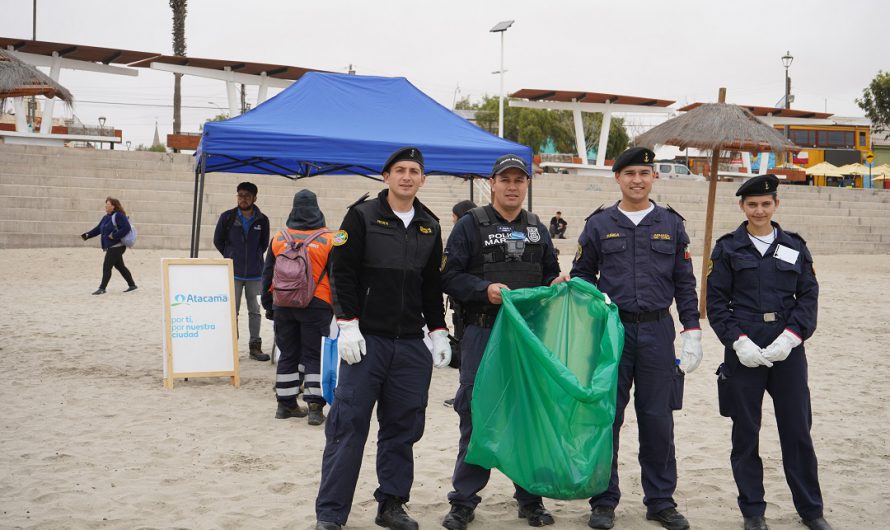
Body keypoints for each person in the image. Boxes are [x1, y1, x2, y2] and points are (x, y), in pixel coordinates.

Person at [314, 147, 451, 530]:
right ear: (385, 176)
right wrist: (347, 324)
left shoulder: (430, 224)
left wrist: (439, 332)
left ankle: (390, 504)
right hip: (365, 341)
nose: (407, 177)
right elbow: (341, 273)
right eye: (400, 170)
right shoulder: (361, 216)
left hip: (410, 344)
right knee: (348, 428)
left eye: (415, 171)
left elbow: (431, 286)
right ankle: (330, 514)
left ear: (423, 179)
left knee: (402, 429)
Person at [570, 147, 703, 530]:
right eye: (629, 173)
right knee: (606, 417)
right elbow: (581, 275)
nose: (637, 180)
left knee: (658, 419)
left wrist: (691, 330)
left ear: (654, 177)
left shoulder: (671, 223)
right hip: (611, 332)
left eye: (644, 173)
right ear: (618, 178)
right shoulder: (598, 224)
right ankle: (603, 500)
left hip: (659, 331)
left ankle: (660, 500)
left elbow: (685, 283)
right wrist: (596, 300)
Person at [440, 154, 566, 530]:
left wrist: (556, 286)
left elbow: (549, 276)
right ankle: (463, 501)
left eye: (519, 180)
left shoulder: (536, 227)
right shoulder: (470, 225)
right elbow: (448, 278)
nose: (512, 186)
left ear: (526, 185)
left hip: (527, 336)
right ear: (492, 183)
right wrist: (484, 289)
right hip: (482, 331)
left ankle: (530, 499)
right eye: (505, 180)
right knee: (478, 414)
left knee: (527, 414)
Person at [706, 175, 831, 530]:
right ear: (742, 207)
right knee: (745, 433)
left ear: (776, 205)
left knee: (797, 431)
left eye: (765, 203)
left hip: (787, 347)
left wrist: (792, 337)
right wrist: (737, 341)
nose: (759, 210)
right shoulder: (727, 248)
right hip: (745, 345)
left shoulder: (794, 245)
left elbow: (808, 296)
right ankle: (753, 512)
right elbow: (716, 304)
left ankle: (811, 510)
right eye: (752, 204)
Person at [261, 190, 334, 426]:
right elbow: (336, 277)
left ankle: (285, 404)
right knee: (314, 355)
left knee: (288, 353)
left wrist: (268, 304)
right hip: (317, 303)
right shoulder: (328, 239)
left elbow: (267, 275)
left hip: (283, 303)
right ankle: (314, 406)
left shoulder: (279, 238)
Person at [214, 182, 271, 361]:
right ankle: (231, 347)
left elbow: (263, 244)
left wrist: (253, 257)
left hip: (255, 274)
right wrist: (230, 255)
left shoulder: (262, 219)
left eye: (247, 195)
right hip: (233, 272)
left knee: (255, 311)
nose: (243, 198)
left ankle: (255, 347)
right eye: (240, 195)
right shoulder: (227, 217)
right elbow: (218, 240)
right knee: (233, 310)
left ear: (255, 197)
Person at [445, 199, 478, 375]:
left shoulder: (469, 237)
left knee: (465, 349)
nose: (452, 220)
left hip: (467, 308)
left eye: (454, 216)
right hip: (460, 307)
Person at [81, 197, 138, 295]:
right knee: (120, 266)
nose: (106, 206)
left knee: (107, 266)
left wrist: (114, 236)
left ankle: (102, 288)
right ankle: (132, 285)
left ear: (113, 206)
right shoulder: (106, 217)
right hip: (112, 246)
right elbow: (98, 229)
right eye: (106, 205)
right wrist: (87, 235)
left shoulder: (119, 215)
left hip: (117, 246)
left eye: (108, 205)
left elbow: (126, 228)